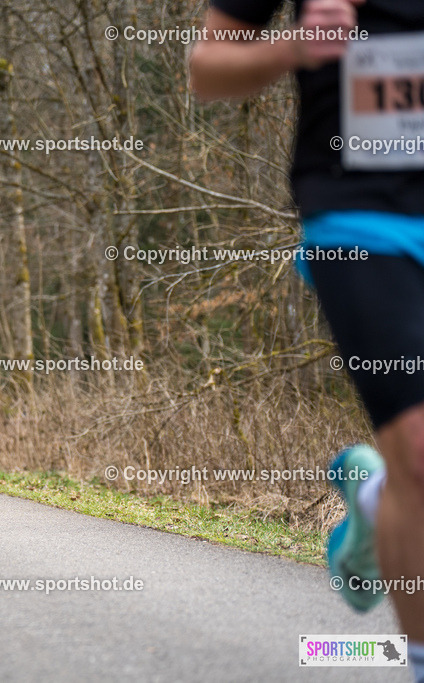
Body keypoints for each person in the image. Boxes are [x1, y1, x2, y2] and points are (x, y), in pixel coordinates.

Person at [190, 2, 424, 679]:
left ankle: (380, 500)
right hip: (360, 221)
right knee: (417, 448)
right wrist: (295, 47)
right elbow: (209, 67)